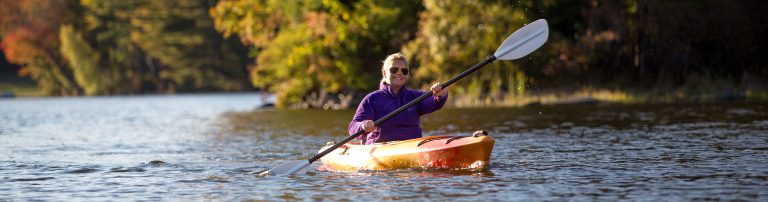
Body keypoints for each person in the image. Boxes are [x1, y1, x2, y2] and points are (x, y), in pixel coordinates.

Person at [348, 53, 448, 144]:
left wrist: (441, 94)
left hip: (412, 146)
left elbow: (435, 102)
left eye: (404, 71)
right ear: (384, 73)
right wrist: (363, 125)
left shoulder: (415, 96)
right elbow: (353, 127)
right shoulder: (371, 99)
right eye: (394, 69)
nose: (399, 73)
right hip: (381, 148)